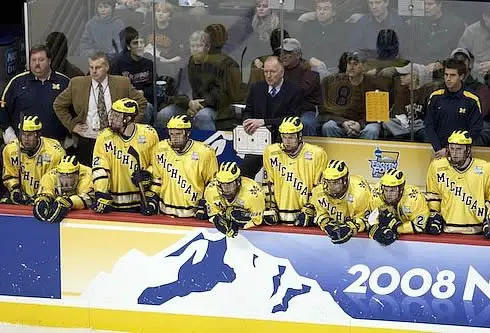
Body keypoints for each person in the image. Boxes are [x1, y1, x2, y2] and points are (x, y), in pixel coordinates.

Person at [53, 51, 147, 166]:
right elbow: (58, 104)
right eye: (91, 67)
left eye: (98, 67)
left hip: (115, 139)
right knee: (89, 176)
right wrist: (72, 125)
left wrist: (128, 125)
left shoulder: (122, 83)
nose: (94, 71)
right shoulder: (77, 83)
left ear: (106, 67)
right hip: (87, 140)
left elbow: (141, 103)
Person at [143, 115, 218, 217]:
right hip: (164, 213)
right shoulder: (160, 148)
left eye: (178, 134)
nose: (174, 138)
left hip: (192, 215)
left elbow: (212, 184)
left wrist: (205, 204)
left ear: (188, 133)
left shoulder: (205, 153)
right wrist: (152, 199)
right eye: (171, 134)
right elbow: (157, 179)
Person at [91, 98, 158, 213]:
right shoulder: (104, 136)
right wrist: (101, 193)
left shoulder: (149, 134)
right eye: (112, 113)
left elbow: (157, 164)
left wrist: (147, 175)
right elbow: (100, 168)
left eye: (116, 116)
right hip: (113, 202)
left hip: (141, 201)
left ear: (128, 118)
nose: (111, 118)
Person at [240, 56, 303, 178]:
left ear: (282, 72)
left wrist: (263, 122)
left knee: (280, 175)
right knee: (245, 169)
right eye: (266, 72)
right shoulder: (256, 88)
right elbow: (247, 111)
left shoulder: (295, 90)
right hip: (258, 139)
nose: (268, 75)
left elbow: (293, 119)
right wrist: (247, 122)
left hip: (283, 141)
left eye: (272, 72)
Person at [262, 117, 328, 225]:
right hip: (279, 217)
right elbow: (268, 184)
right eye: (284, 137)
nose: (287, 141)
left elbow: (319, 188)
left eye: (291, 137)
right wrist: (270, 207)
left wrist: (310, 209)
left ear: (299, 136)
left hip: (304, 218)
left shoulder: (317, 154)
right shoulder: (271, 152)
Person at [0, 44, 70, 144]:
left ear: (49, 61)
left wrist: (70, 137)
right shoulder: (17, 82)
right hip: (23, 146)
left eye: (41, 60)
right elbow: (3, 109)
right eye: (33, 60)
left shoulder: (65, 82)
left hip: (56, 147)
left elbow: (75, 111)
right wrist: (9, 134)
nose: (37, 64)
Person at [426, 130, 490, 237]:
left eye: (459, 149)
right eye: (452, 148)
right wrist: (434, 214)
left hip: (475, 230)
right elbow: (434, 195)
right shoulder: (437, 166)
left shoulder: (485, 168)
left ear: (468, 150)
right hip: (447, 229)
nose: (455, 153)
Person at [425, 58, 482, 158]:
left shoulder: (472, 99)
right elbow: (429, 126)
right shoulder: (435, 97)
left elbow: (475, 130)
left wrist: (451, 151)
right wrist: (439, 149)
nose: (448, 78)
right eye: (446, 75)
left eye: (452, 75)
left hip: (463, 156)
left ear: (461, 76)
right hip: (439, 154)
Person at [2, 116, 65, 205]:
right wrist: (14, 189)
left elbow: (56, 181)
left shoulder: (55, 153)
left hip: (46, 196)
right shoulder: (10, 150)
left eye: (30, 135)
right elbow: (9, 175)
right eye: (23, 134)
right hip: (22, 194)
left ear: (38, 135)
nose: (26, 139)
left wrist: (43, 196)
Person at [310, 160, 371, 244]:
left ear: (344, 180)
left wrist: (351, 227)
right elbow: (320, 214)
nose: (331, 187)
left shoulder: (360, 193)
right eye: (328, 181)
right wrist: (327, 224)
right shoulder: (318, 191)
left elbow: (366, 219)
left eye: (335, 182)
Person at [368, 169, 434, 246]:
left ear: (401, 189)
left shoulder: (414, 197)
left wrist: (397, 229)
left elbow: (419, 225)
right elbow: (371, 221)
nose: (388, 194)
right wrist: (377, 231)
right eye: (386, 190)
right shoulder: (376, 195)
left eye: (392, 190)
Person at [203, 161, 265, 237]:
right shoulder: (211, 191)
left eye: (229, 184)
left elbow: (257, 220)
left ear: (237, 181)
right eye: (223, 184)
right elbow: (214, 215)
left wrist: (238, 224)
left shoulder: (253, 195)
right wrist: (220, 224)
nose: (226, 188)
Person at [111, 26, 155, 124]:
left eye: (142, 42)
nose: (140, 46)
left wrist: (143, 92)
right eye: (135, 43)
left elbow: (153, 87)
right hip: (123, 102)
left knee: (147, 107)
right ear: (128, 47)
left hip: (144, 101)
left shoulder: (149, 62)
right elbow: (114, 88)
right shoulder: (118, 63)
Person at [280, 38, 323, 136]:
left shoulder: (310, 73)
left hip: (305, 111)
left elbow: (299, 92)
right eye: (282, 52)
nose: (283, 56)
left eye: (288, 52)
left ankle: (309, 150)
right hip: (283, 110)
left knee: (305, 123)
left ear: (298, 55)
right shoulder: (278, 71)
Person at [33, 156, 94, 223]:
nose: (65, 183)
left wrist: (69, 202)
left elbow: (88, 200)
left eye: (69, 177)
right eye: (62, 176)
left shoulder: (89, 175)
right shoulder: (50, 176)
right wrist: (43, 200)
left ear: (77, 174)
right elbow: (45, 192)